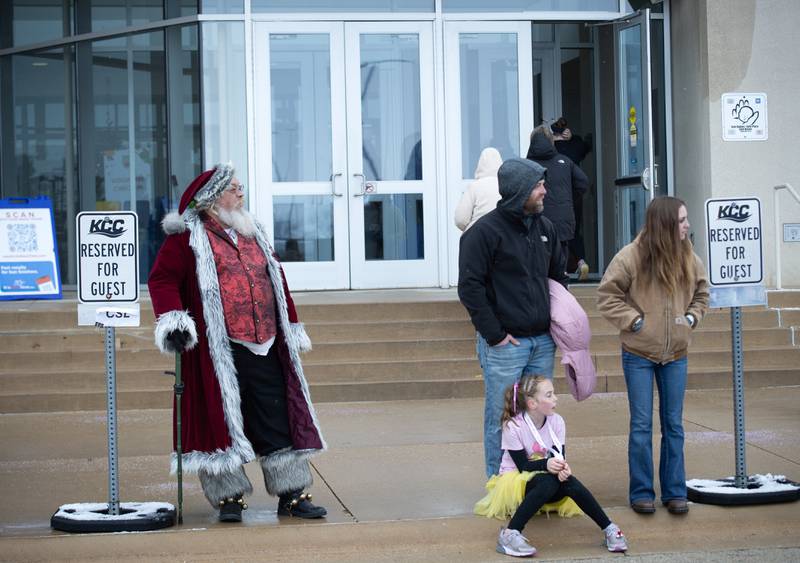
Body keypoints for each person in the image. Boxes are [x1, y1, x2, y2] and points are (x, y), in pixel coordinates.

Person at [148, 163, 328, 523]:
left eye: (241, 187)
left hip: (266, 341)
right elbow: (162, 279)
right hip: (220, 348)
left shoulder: (252, 230)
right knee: (219, 420)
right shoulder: (187, 237)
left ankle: (292, 495)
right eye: (233, 188)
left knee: (276, 415)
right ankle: (228, 498)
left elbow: (277, 279)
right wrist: (174, 321)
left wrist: (290, 324)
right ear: (212, 199)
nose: (241, 193)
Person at [597, 196, 709, 515]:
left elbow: (702, 293)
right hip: (639, 353)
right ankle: (642, 493)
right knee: (642, 425)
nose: (688, 225)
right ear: (665, 225)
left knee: (673, 424)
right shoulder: (631, 256)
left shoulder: (689, 257)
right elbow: (607, 296)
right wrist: (635, 321)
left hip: (676, 354)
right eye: (682, 220)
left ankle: (674, 492)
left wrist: (690, 319)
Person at [458, 157, 568, 478]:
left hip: (542, 342)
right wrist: (494, 334)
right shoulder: (483, 233)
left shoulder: (545, 228)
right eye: (538, 186)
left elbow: (557, 278)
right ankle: (500, 485)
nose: (545, 191)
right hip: (506, 344)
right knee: (502, 418)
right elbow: (470, 287)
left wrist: (557, 325)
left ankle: (536, 484)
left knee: (538, 416)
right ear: (520, 191)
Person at [475, 375, 628, 557]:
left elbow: (559, 456)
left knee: (567, 481)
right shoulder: (513, 426)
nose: (555, 398)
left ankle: (609, 527)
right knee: (548, 481)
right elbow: (523, 466)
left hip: (545, 477)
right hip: (517, 482)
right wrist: (548, 464)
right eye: (549, 395)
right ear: (532, 404)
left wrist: (563, 469)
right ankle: (509, 534)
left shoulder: (557, 421)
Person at [525, 124, 589, 277]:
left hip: (536, 221)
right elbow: (583, 183)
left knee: (537, 268)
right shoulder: (565, 162)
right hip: (563, 221)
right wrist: (567, 198)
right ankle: (561, 290)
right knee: (560, 268)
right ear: (551, 141)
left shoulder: (527, 166)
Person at [551, 117, 593, 280]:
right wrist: (575, 138)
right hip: (573, 198)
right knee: (575, 232)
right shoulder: (574, 148)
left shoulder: (551, 149)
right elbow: (585, 147)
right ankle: (582, 262)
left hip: (554, 199)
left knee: (554, 233)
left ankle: (561, 271)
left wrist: (553, 140)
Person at [454, 147, 503, 232]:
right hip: (502, 236)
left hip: (478, 236)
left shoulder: (474, 187)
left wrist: (470, 230)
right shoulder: (506, 186)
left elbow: (460, 220)